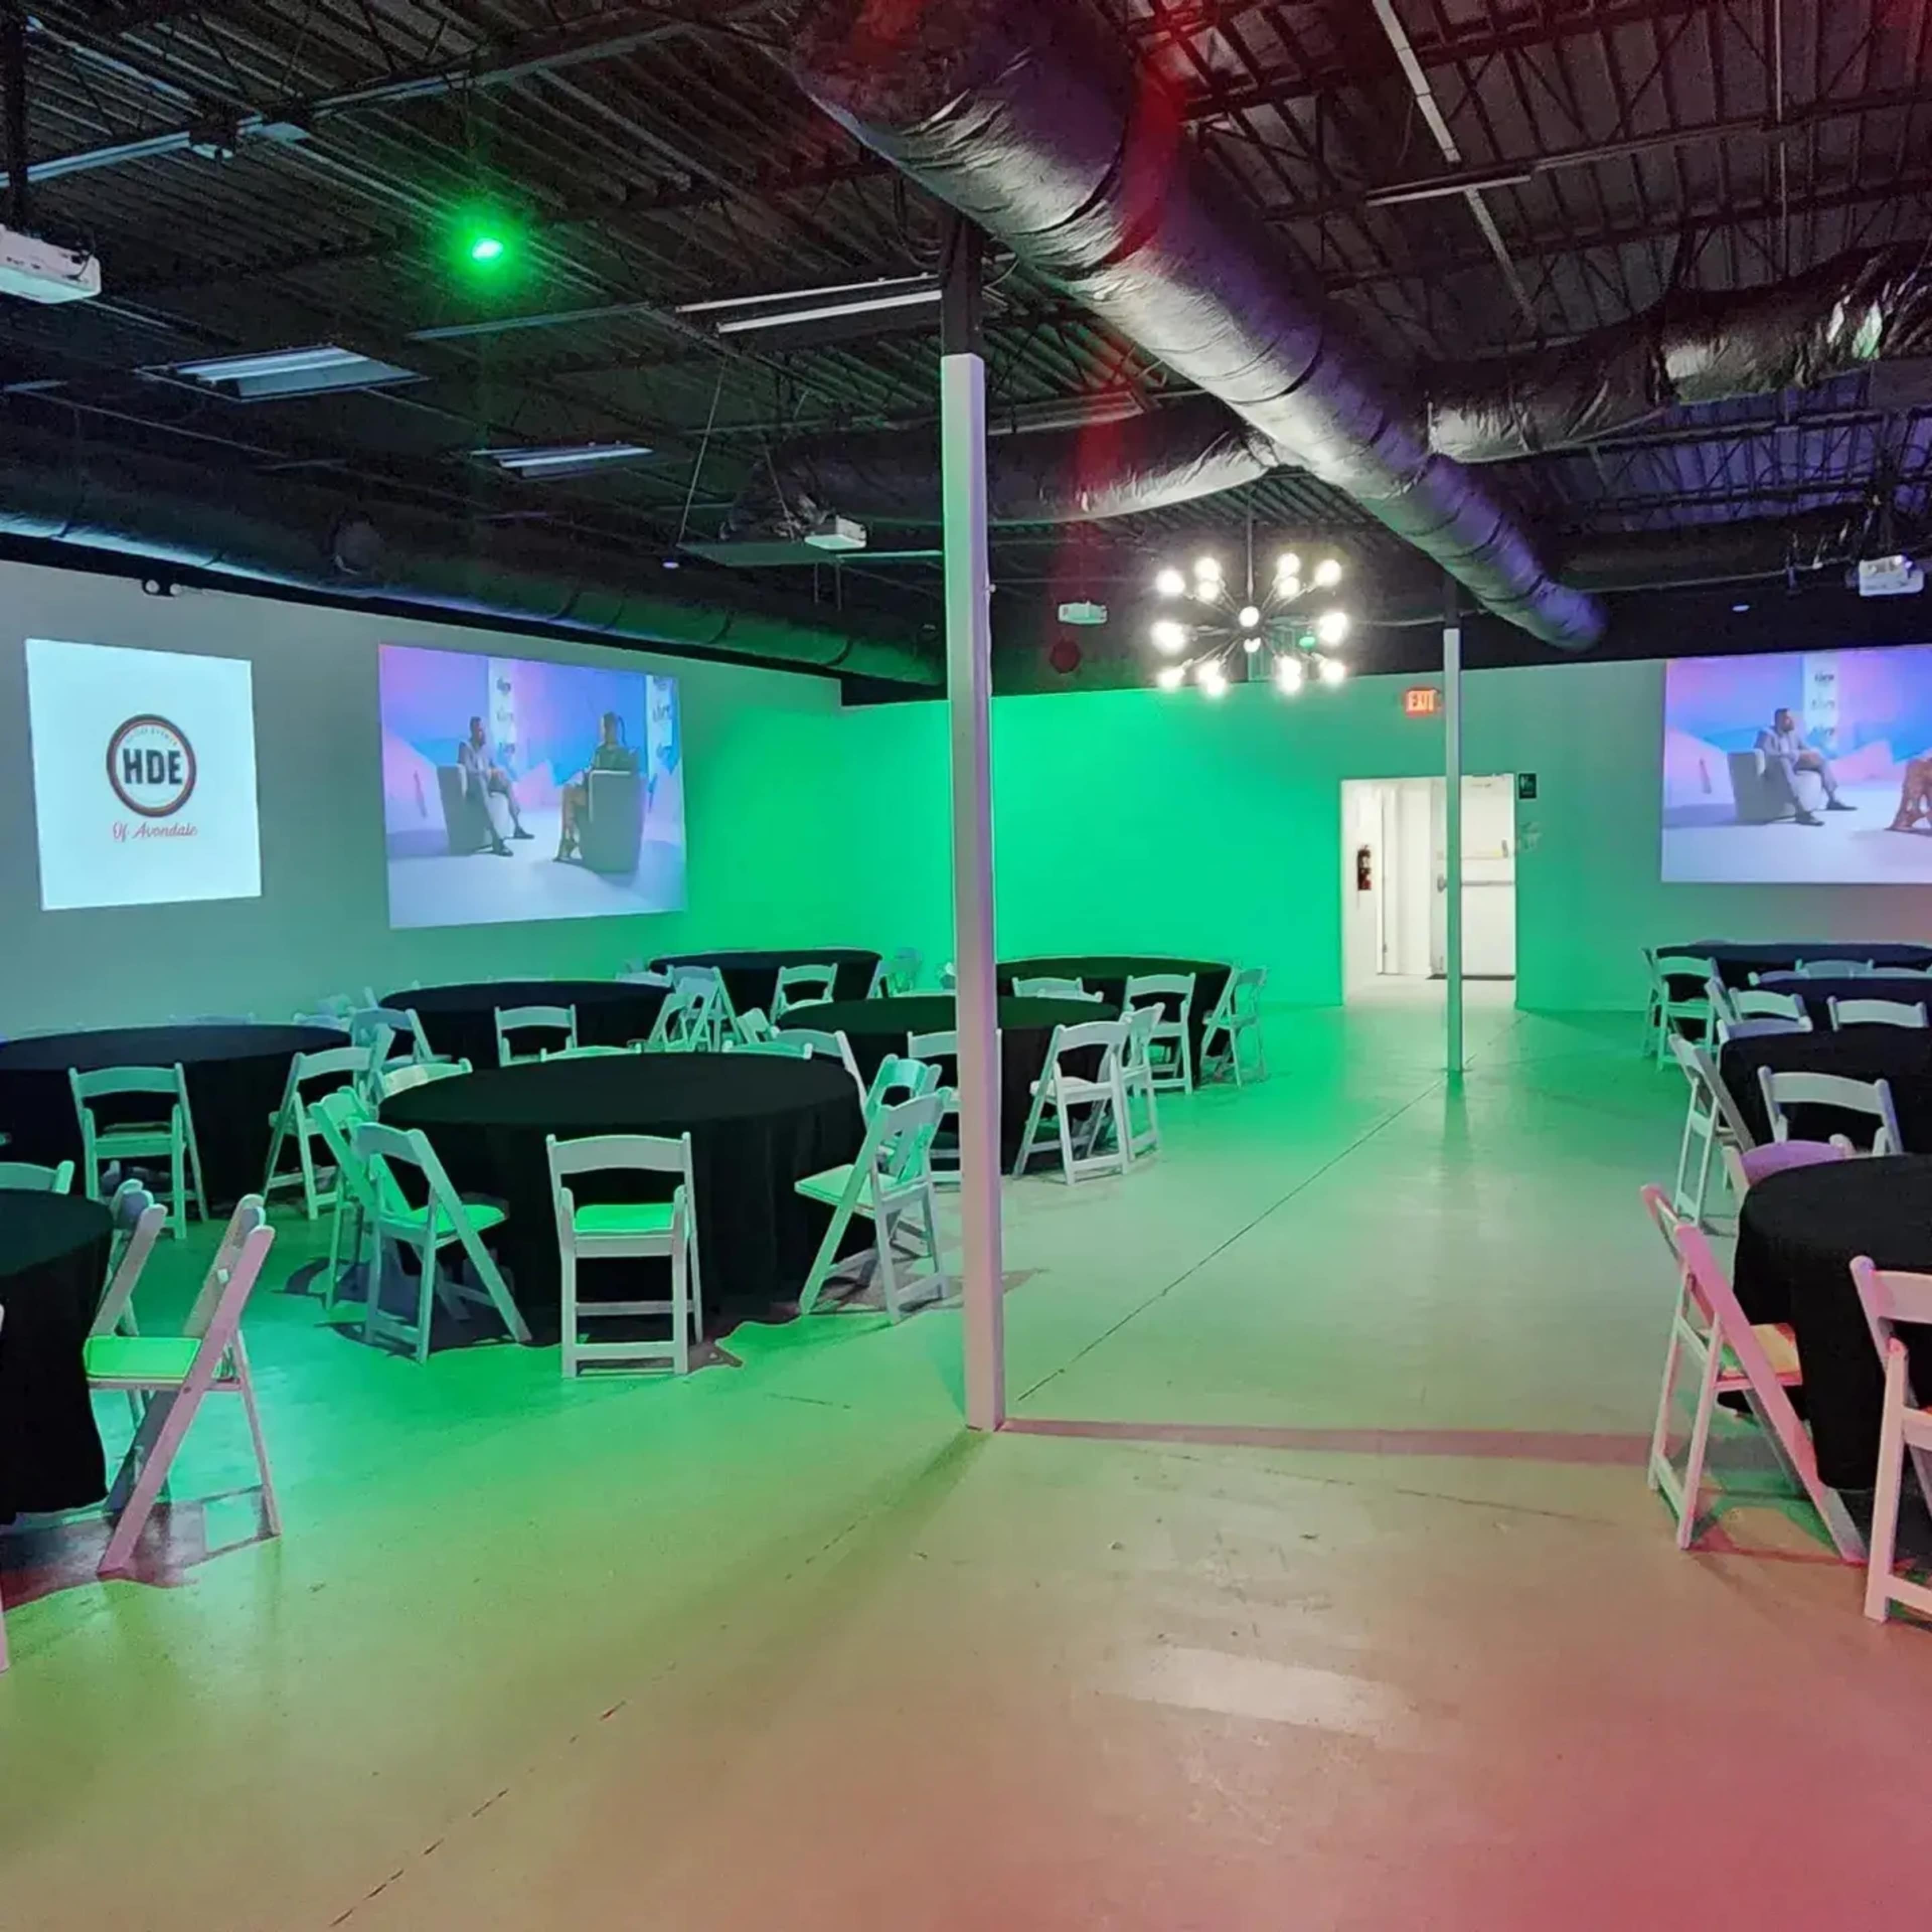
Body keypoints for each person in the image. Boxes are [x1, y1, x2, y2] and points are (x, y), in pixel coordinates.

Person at [555, 712, 640, 862]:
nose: (603, 732)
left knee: (568, 792)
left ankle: (568, 840)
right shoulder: (603, 751)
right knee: (569, 789)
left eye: (605, 728)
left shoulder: (624, 754)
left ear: (613, 729)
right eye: (603, 728)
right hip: (599, 798)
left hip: (604, 801)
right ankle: (569, 839)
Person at [1755, 707, 1854, 827]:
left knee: (1820, 760)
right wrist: (1788, 755)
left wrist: (1809, 755)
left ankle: (1832, 800)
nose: (1792, 721)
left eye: (1792, 718)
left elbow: (1805, 749)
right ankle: (1801, 811)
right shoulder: (1767, 734)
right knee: (1783, 762)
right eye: (1788, 719)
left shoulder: (1793, 734)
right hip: (1776, 767)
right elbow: (1766, 754)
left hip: (1793, 763)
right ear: (1778, 721)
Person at [457, 716, 531, 855]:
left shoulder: (486, 749)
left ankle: (518, 827)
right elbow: (469, 771)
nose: (483, 734)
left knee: (506, 782)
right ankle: (496, 840)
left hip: (487, 781)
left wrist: (497, 772)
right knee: (480, 783)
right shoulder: (465, 747)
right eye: (480, 731)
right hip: (474, 786)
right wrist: (487, 772)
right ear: (473, 732)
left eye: (483, 730)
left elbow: (493, 766)